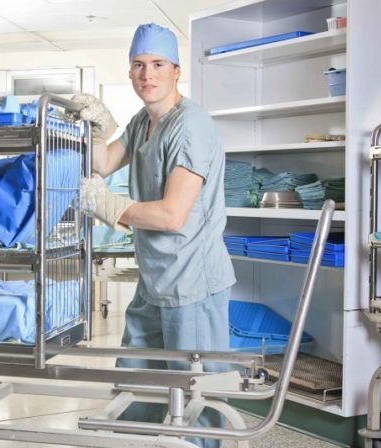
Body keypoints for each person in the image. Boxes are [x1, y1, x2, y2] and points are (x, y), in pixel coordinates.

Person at [73, 23, 236, 448]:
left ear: (177, 70)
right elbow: (104, 163)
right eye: (138, 65)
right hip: (155, 279)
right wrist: (97, 128)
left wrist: (110, 206)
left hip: (193, 283)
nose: (148, 74)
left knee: (197, 396)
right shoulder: (143, 121)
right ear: (129, 71)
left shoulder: (191, 127)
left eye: (158, 64)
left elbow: (172, 215)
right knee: (136, 384)